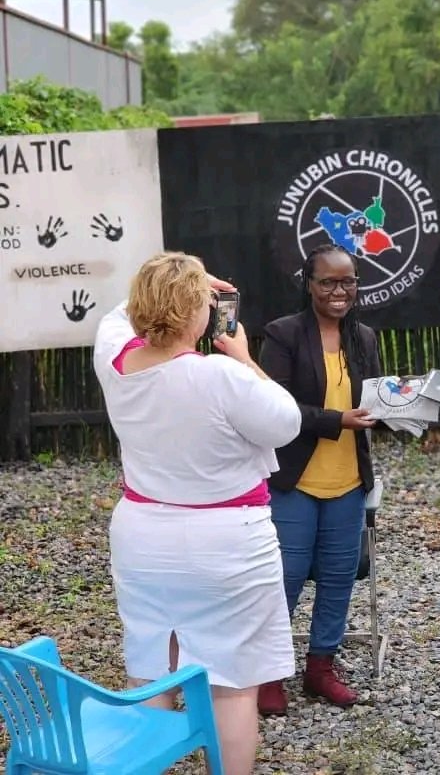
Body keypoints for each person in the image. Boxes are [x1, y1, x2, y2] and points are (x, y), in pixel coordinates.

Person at [93, 251, 301, 775]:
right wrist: (246, 358)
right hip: (227, 541)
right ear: (198, 313)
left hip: (143, 538)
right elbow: (286, 422)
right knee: (231, 687)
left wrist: (167, 281)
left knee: (149, 671)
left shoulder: (114, 358)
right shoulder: (222, 377)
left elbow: (113, 319)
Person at [257, 243, 381, 716]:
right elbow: (277, 408)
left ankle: (320, 668)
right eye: (328, 281)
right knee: (283, 579)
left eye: (347, 281)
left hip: (348, 482)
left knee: (337, 578)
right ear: (308, 284)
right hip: (296, 481)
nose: (339, 290)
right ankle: (270, 673)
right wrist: (337, 421)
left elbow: (374, 401)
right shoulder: (284, 335)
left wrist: (402, 409)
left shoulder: (363, 337)